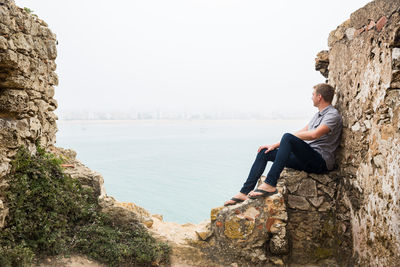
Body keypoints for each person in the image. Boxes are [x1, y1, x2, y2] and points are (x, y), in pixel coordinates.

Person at [224, 83, 342, 206]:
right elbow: (301, 132)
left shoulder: (332, 115)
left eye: (313, 94)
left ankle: (270, 184)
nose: (310, 97)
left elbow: (314, 135)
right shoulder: (317, 115)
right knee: (264, 153)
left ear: (319, 97)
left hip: (320, 162)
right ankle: (244, 192)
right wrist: (274, 145)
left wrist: (290, 138)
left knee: (288, 136)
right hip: (306, 158)